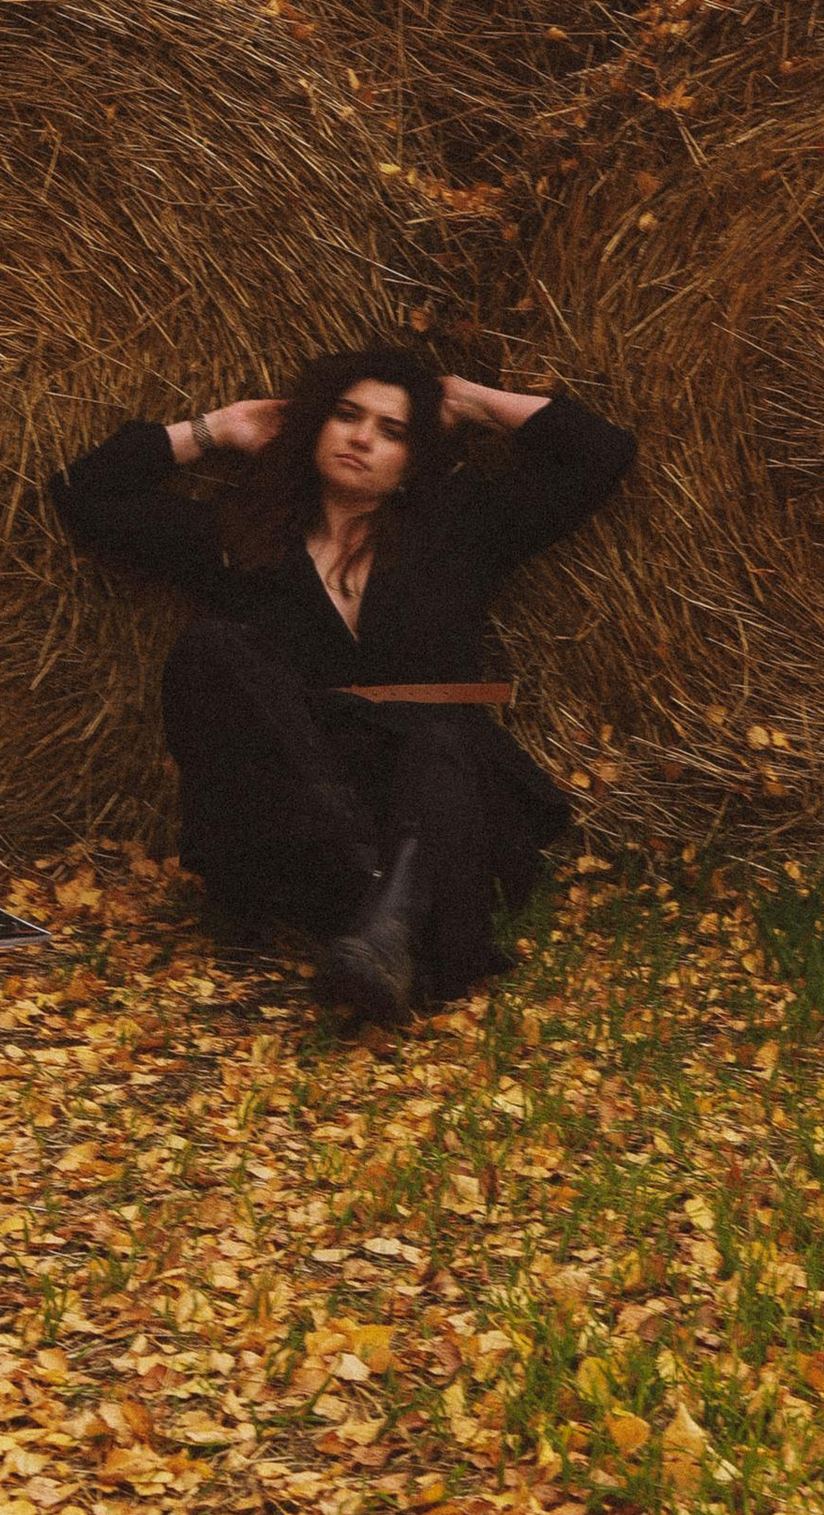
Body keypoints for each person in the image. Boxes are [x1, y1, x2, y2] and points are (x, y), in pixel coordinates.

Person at [52, 349, 635, 1020]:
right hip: (301, 832)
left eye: (393, 431)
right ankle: (387, 907)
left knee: (442, 738)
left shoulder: (460, 530)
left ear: (416, 461)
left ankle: (387, 919)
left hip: (443, 803)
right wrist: (224, 426)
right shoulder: (242, 538)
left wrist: (466, 400)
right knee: (212, 648)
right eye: (346, 416)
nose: (362, 438)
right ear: (312, 427)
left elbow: (600, 453)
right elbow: (84, 491)